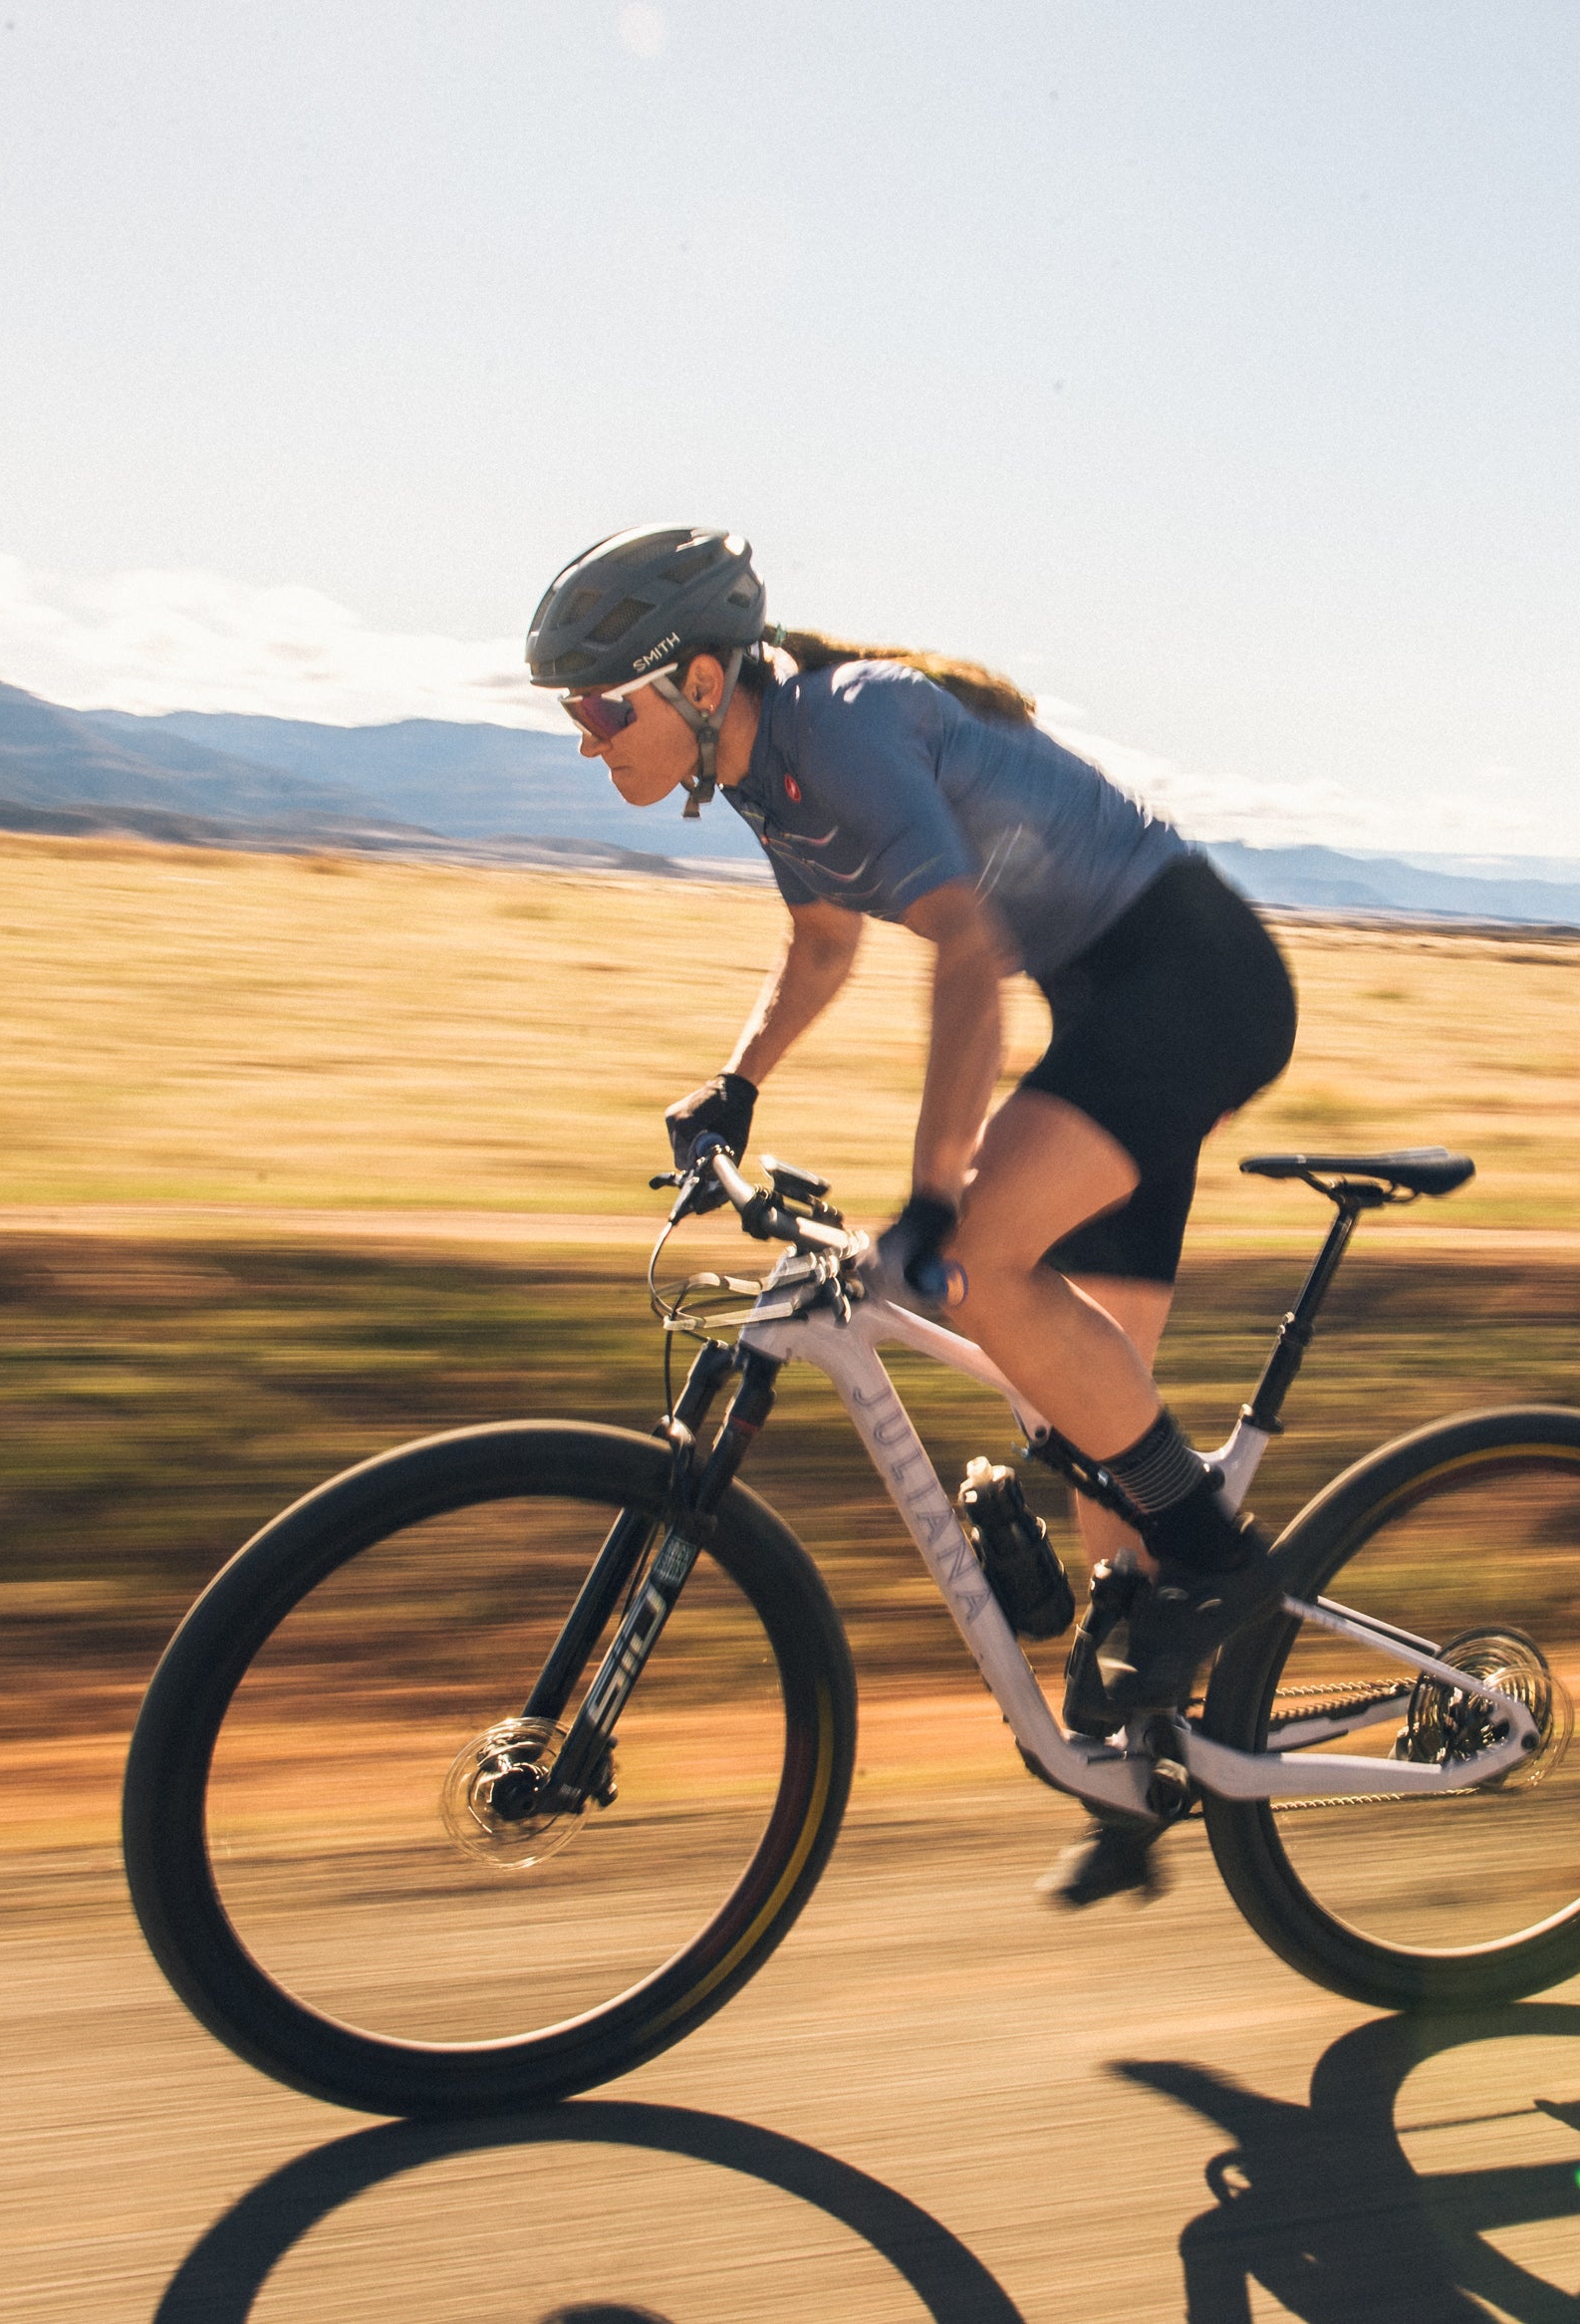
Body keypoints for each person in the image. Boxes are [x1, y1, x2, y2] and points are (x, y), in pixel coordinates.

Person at [528, 524, 1298, 1906]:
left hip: (1188, 981)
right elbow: (823, 945)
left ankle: (1222, 1567)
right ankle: (1138, 1775)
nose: (588, 741)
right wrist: (736, 1087)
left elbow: (970, 961)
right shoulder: (760, 773)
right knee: (1085, 1424)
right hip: (1118, 1004)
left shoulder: (852, 729)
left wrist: (939, 1194)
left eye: (600, 706)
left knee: (989, 1270)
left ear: (699, 677)